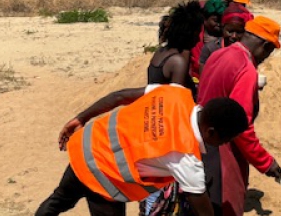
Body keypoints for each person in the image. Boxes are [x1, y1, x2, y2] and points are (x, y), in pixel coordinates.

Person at [36, 84, 249, 216]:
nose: (223, 145)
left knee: (57, 200)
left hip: (85, 149)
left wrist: (80, 117)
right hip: (104, 178)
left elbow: (119, 97)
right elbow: (204, 213)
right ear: (211, 132)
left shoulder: (176, 93)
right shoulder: (186, 158)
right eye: (225, 140)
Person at [197, 16, 281, 216]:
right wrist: (266, 163)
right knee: (229, 204)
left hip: (201, 139)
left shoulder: (219, 54)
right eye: (269, 51)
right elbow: (241, 127)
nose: (266, 57)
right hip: (224, 149)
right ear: (265, 46)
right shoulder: (246, 69)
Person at [148, 1, 204, 99]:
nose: (199, 39)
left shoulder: (161, 52)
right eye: (197, 34)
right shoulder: (178, 62)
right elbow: (177, 99)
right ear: (188, 34)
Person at [199, 2, 254, 72]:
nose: (234, 36)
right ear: (222, 28)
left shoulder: (247, 53)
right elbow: (204, 79)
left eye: (239, 32)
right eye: (230, 31)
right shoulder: (210, 49)